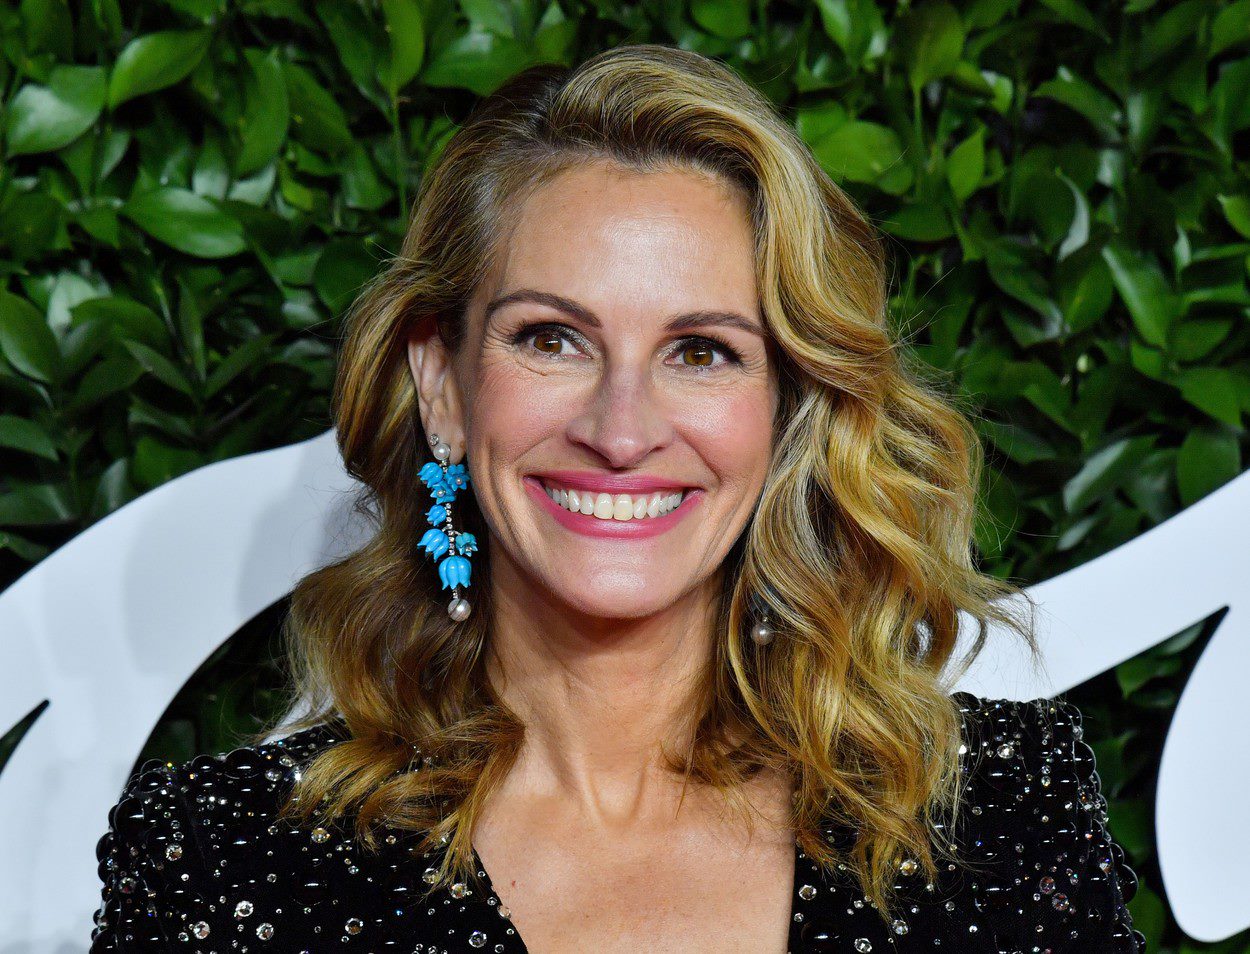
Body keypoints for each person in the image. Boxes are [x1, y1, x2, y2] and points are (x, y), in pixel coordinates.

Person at [89, 44, 1144, 953]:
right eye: (552, 339)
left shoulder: (998, 810)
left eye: (701, 351)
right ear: (443, 384)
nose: (622, 431)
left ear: (785, 407)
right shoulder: (223, 865)